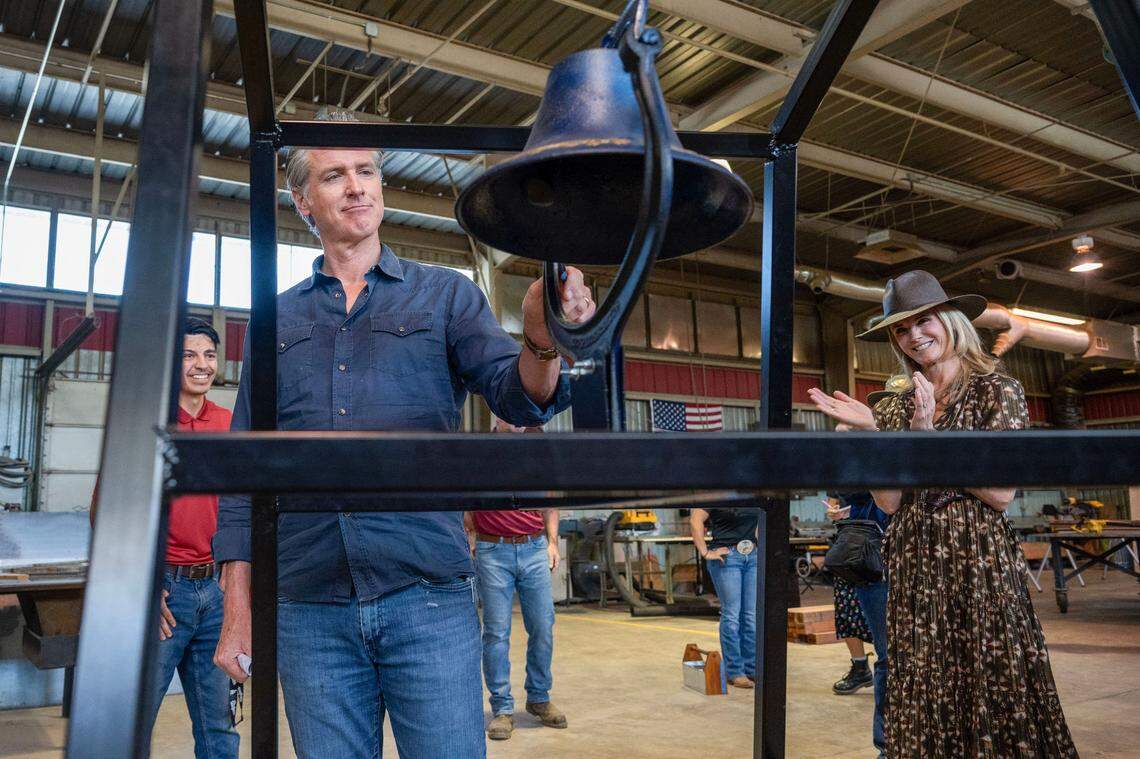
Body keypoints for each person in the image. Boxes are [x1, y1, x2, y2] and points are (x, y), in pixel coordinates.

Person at [211, 111, 594, 759]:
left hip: (428, 601)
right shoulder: (276, 320)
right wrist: (237, 607)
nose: (358, 186)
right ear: (304, 201)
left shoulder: (446, 297)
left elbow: (519, 398)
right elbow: (242, 473)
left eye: (367, 171)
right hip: (311, 608)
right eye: (335, 175)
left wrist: (540, 337)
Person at [810, 270, 1076, 757]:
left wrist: (928, 441)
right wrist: (874, 437)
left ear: (951, 320)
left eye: (924, 321)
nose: (914, 336)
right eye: (901, 329)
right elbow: (890, 502)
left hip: (978, 565)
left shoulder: (998, 392)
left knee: (992, 677)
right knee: (922, 681)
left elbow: (999, 494)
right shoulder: (892, 408)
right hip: (913, 566)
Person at [92, 318, 238, 758]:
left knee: (220, 728)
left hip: (216, 591)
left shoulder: (231, 425)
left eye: (209, 355)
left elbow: (245, 508)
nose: (201, 365)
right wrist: (141, 582)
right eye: (189, 355)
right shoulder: (147, 425)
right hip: (163, 596)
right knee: (133, 720)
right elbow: (107, 509)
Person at [465, 419, 565, 741]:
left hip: (534, 547)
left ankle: (538, 698)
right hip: (493, 550)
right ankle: (503, 709)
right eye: (513, 414)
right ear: (497, 413)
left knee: (543, 626)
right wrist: (470, 536)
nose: (519, 422)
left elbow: (549, 501)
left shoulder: (535, 448)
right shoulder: (481, 453)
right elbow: (467, 501)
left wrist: (552, 542)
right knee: (496, 632)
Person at [689, 506, 758, 689]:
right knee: (732, 615)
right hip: (727, 557)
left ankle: (752, 669)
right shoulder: (714, 492)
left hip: (753, 556)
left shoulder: (752, 492)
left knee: (751, 617)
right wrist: (705, 552)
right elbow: (695, 521)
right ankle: (735, 671)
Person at [822, 495, 875, 697]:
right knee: (846, 609)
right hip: (849, 543)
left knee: (886, 610)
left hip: (879, 540)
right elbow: (833, 504)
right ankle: (860, 667)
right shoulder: (839, 473)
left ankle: (889, 669)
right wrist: (834, 513)